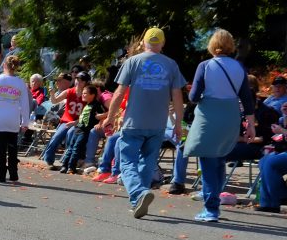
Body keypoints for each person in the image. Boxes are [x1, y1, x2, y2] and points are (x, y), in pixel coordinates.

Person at [102, 27, 186, 219]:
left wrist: (110, 116)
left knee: (127, 162)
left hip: (134, 121)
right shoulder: (171, 64)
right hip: (158, 123)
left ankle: (139, 193)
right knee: (147, 162)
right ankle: (138, 201)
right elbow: (177, 96)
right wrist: (178, 124)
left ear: (144, 43)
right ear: (162, 43)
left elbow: (119, 93)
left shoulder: (132, 62)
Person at [183, 29, 255, 223]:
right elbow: (247, 99)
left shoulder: (205, 66)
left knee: (207, 161)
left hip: (209, 116)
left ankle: (211, 208)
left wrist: (192, 93)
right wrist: (250, 125)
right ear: (231, 45)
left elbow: (194, 96)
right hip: (230, 115)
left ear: (212, 45)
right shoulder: (239, 67)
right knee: (220, 159)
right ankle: (214, 197)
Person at [42, 72, 87, 169]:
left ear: (85, 82)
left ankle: (68, 161)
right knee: (56, 138)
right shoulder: (69, 91)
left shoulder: (87, 94)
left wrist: (76, 122)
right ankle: (49, 160)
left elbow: (88, 111)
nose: (78, 82)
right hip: (66, 121)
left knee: (71, 135)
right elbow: (54, 101)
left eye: (81, 80)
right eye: (77, 79)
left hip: (78, 122)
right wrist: (52, 93)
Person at [57, 84, 106, 174]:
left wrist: (100, 123)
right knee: (70, 148)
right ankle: (64, 165)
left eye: (85, 93)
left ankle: (71, 167)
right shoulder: (86, 105)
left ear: (92, 95)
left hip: (85, 131)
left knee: (76, 148)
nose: (83, 95)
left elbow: (104, 114)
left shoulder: (97, 105)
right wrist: (74, 123)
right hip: (77, 129)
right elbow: (82, 117)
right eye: (83, 93)